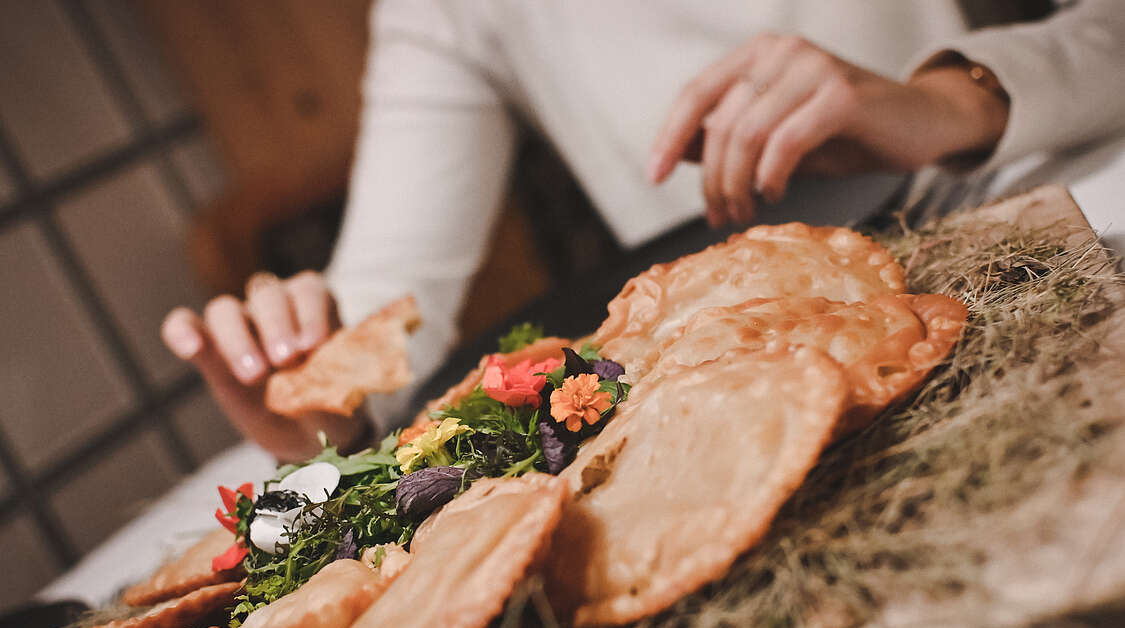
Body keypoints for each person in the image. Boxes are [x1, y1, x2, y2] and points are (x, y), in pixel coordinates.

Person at [161, 0, 1125, 462]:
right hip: (740, 399)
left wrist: (955, 99)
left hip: (1056, 226)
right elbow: (389, 295)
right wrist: (320, 391)